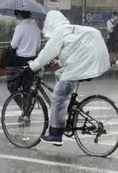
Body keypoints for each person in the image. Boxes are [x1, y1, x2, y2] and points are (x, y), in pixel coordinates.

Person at [22, 10, 110, 146]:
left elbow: (46, 54)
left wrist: (32, 67)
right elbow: (74, 51)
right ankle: (67, 112)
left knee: (58, 97)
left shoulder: (60, 32)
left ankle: (56, 134)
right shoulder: (70, 30)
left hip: (82, 64)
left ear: (50, 23)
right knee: (59, 75)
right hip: (91, 59)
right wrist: (60, 63)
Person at [7, 10, 41, 107]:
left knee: (12, 85)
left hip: (20, 61)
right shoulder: (36, 28)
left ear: (20, 15)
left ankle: (23, 106)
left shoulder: (20, 27)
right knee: (27, 87)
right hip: (32, 60)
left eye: (17, 15)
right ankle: (27, 108)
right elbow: (38, 46)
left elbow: (13, 45)